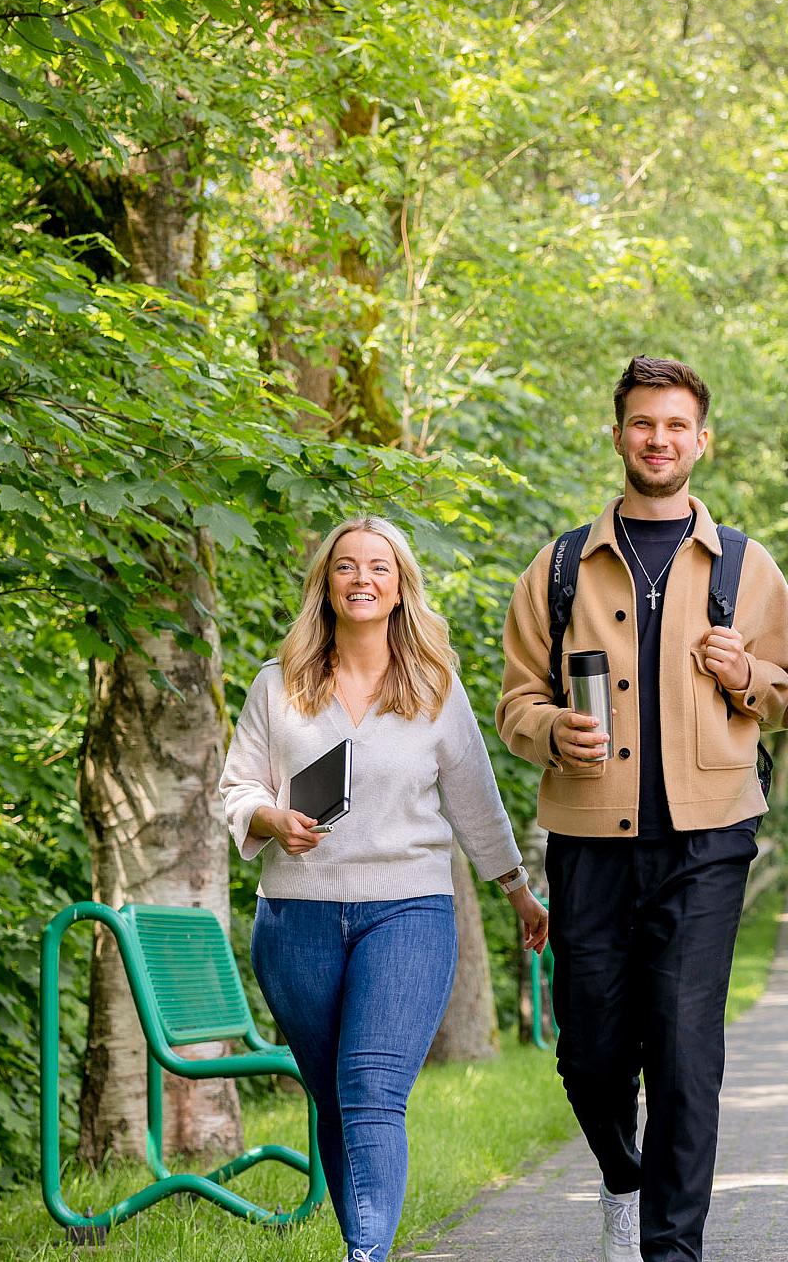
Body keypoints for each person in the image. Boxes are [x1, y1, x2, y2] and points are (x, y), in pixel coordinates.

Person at [495, 355, 788, 1262]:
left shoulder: (748, 567)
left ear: (702, 440)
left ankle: (674, 1251)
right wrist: (556, 731)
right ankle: (623, 1175)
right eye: (643, 423)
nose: (659, 440)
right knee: (589, 1049)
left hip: (709, 839)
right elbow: (515, 702)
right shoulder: (559, 568)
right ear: (619, 433)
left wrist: (743, 672)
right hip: (589, 840)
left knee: (683, 1049)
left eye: (676, 426)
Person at [218, 515, 550, 1262]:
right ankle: (360, 1241)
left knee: (371, 1090)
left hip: (408, 910)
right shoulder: (279, 685)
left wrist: (517, 888)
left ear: (401, 586)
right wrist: (271, 816)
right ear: (325, 584)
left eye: (378, 567)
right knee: (335, 1100)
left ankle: (366, 1253)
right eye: (345, 567)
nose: (361, 579)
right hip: (295, 917)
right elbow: (236, 787)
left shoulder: (434, 686)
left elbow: (476, 797)